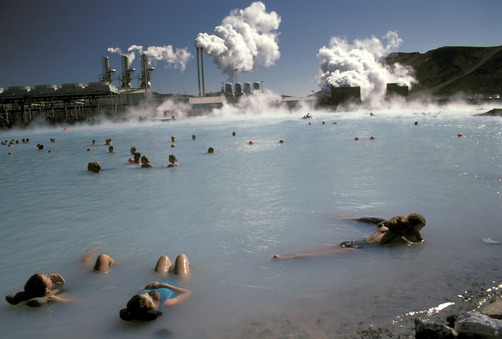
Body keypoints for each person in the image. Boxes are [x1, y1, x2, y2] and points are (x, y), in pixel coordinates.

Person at [273, 213, 426, 260]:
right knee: (316, 256)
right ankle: (285, 259)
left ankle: (286, 255)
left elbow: (381, 222)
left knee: (318, 249)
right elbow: (418, 243)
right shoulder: (401, 238)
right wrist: (417, 236)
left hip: (354, 241)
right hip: (360, 249)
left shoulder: (385, 228)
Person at [119, 254, 191, 321]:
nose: (146, 292)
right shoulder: (165, 303)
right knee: (181, 256)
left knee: (164, 257)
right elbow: (188, 293)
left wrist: (146, 286)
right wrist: (164, 285)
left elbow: (142, 289)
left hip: (161, 278)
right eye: (148, 295)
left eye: (144, 293)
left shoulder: (138, 300)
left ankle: (174, 268)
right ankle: (179, 267)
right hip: (178, 280)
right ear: (150, 303)